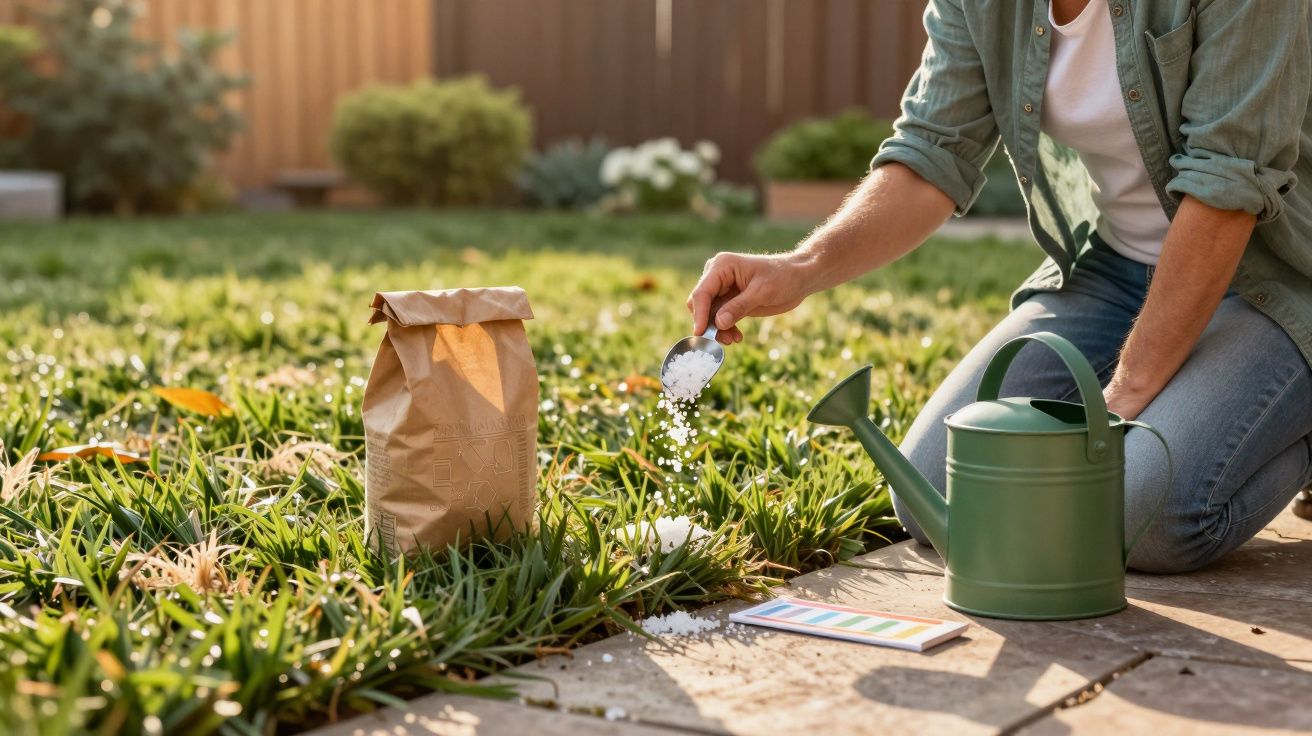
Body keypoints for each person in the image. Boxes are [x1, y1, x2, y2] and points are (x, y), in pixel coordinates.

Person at [687, 0, 1312, 573]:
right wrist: (800, 267)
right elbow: (933, 149)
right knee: (937, 484)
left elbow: (1226, 184)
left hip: (1273, 276)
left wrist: (1118, 401)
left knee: (1142, 518)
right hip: (1113, 271)